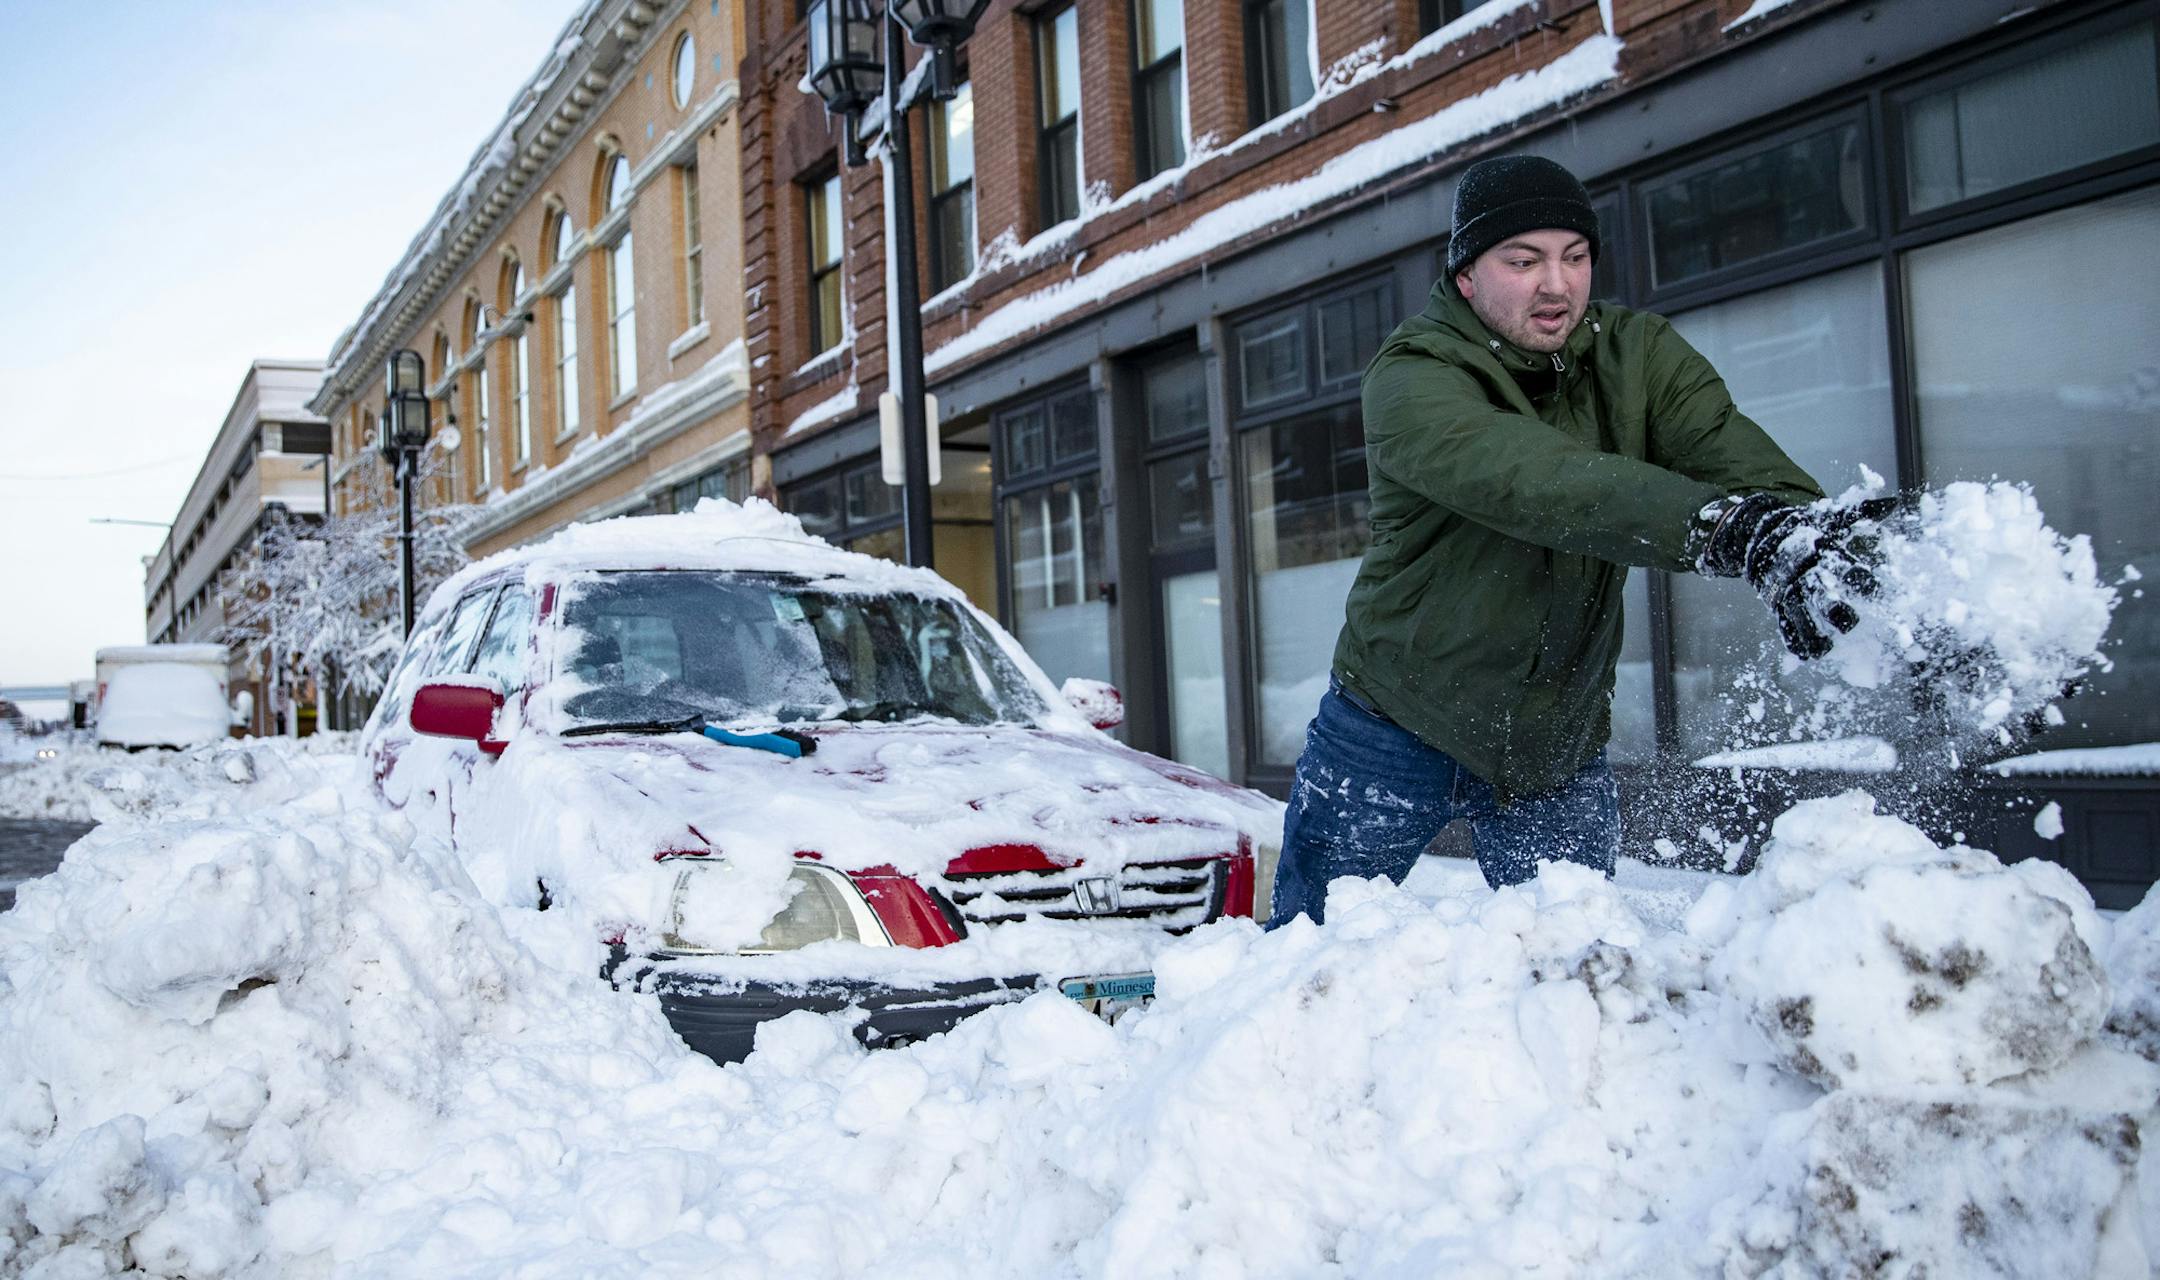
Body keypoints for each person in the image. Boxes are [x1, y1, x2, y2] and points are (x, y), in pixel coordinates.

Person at [1267, 153, 1885, 926]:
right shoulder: (1412, 376)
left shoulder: (1639, 355)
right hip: (1393, 723)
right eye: (1522, 261)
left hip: (1556, 745)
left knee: (1576, 975)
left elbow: (1736, 458)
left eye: (1575, 256)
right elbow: (1534, 481)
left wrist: (1817, 546)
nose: (1556, 284)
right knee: (1304, 962)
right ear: (1465, 275)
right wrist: (1721, 531)